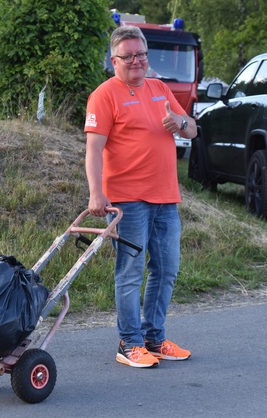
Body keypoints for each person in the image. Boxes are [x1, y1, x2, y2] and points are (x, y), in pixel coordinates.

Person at [84, 25, 197, 368]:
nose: (136, 61)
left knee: (166, 270)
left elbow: (192, 129)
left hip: (166, 197)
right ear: (114, 60)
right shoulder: (104, 95)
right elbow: (94, 150)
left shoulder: (160, 88)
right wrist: (96, 193)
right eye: (128, 56)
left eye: (142, 54)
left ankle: (154, 338)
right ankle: (129, 343)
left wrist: (179, 121)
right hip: (127, 201)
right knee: (130, 272)